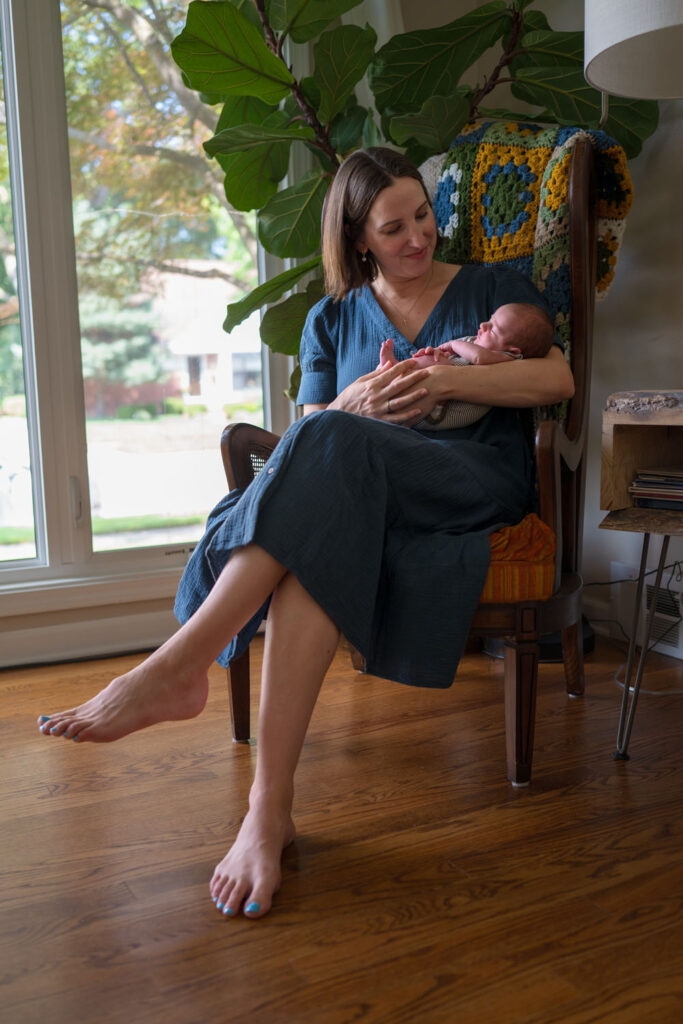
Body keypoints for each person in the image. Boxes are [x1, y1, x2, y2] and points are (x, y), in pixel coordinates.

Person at [36, 147, 574, 920]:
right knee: (316, 523)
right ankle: (269, 809)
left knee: (324, 458)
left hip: (466, 482)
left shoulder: (491, 290)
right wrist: (355, 399)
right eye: (394, 229)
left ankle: (176, 666)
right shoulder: (330, 317)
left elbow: (555, 380)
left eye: (422, 216)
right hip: (363, 493)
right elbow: (314, 425)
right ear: (358, 240)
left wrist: (446, 378)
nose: (418, 238)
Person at [378, 301, 554, 428]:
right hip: (431, 399)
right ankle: (394, 369)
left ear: (513, 350)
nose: (483, 325)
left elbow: (479, 359)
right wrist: (435, 353)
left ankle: (395, 373)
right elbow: (450, 355)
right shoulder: (476, 342)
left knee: (440, 366)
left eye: (493, 329)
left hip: (443, 412)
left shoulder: (508, 359)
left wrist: (453, 345)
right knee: (434, 361)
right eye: (490, 319)